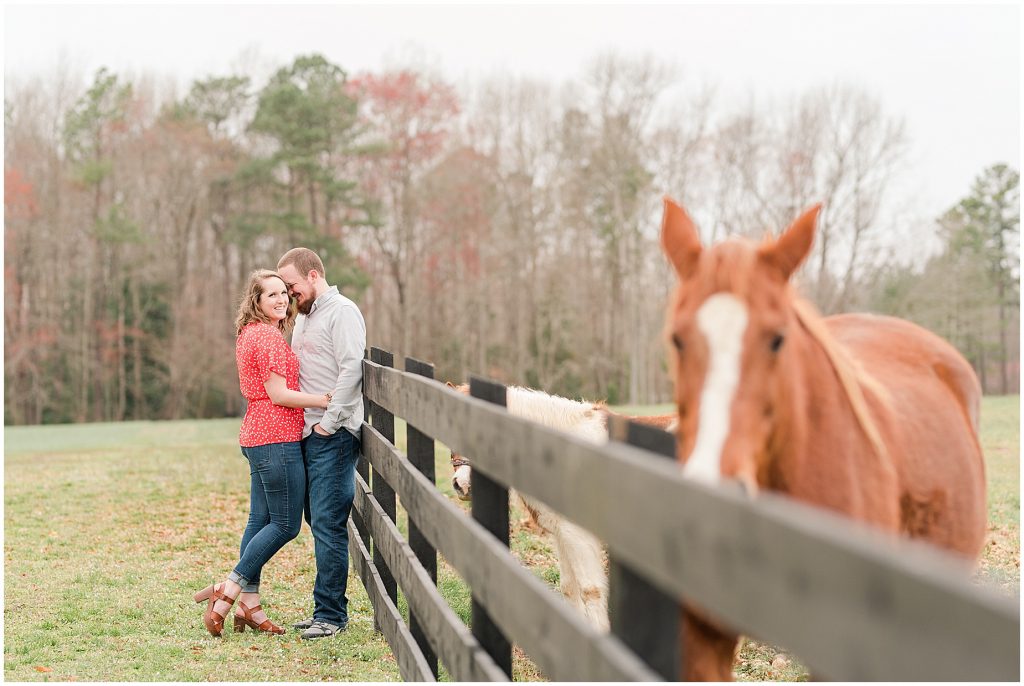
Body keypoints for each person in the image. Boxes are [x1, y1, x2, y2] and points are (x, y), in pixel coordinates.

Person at [194, 269, 333, 637]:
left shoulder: (249, 334)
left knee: (259, 522)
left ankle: (250, 609)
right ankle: (229, 587)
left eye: (283, 293)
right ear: (255, 301)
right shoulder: (268, 338)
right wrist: (325, 400)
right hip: (276, 438)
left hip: (256, 435)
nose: (280, 299)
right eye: (270, 294)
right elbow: (279, 394)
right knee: (286, 525)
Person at [276, 247, 365, 640]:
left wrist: (328, 424)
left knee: (328, 523)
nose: (290, 294)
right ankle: (324, 610)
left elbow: (351, 370)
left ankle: (330, 617)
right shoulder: (305, 320)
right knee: (318, 520)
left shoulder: (342, 311)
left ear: (313, 276)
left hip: (334, 433)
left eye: (292, 286)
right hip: (308, 432)